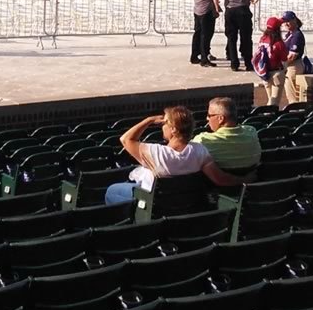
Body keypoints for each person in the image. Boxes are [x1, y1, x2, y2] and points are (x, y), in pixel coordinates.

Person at [104, 107, 243, 205]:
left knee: (111, 191)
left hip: (154, 202)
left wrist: (149, 120)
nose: (162, 126)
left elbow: (125, 139)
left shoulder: (155, 153)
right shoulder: (200, 151)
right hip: (183, 201)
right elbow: (220, 179)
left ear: (173, 129)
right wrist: (244, 179)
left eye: (165, 123)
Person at [191, 97, 262, 177]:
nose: (207, 118)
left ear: (220, 118)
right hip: (251, 186)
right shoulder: (251, 132)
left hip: (216, 187)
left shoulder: (203, 141)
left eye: (209, 115)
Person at [215, 0, 259, 72]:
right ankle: (248, 63)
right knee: (246, 37)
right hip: (243, 10)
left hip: (230, 11)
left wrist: (217, 6)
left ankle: (234, 63)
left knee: (231, 38)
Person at [252, 19, 290, 107]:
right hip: (276, 73)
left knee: (270, 99)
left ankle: (267, 115)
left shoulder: (263, 39)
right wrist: (285, 70)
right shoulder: (278, 43)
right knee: (275, 102)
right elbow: (285, 59)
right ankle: (270, 117)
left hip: (265, 72)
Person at [281, 11, 313, 105]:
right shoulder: (290, 34)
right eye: (284, 21)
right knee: (289, 88)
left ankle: (294, 107)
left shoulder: (297, 35)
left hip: (294, 65)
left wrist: (283, 65)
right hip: (290, 64)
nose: (286, 24)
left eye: (288, 21)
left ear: (294, 20)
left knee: (291, 89)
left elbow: (292, 56)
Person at [190, 0, 217, 67]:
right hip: (206, 11)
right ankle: (204, 58)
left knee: (197, 34)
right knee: (205, 35)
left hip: (197, 10)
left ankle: (194, 55)